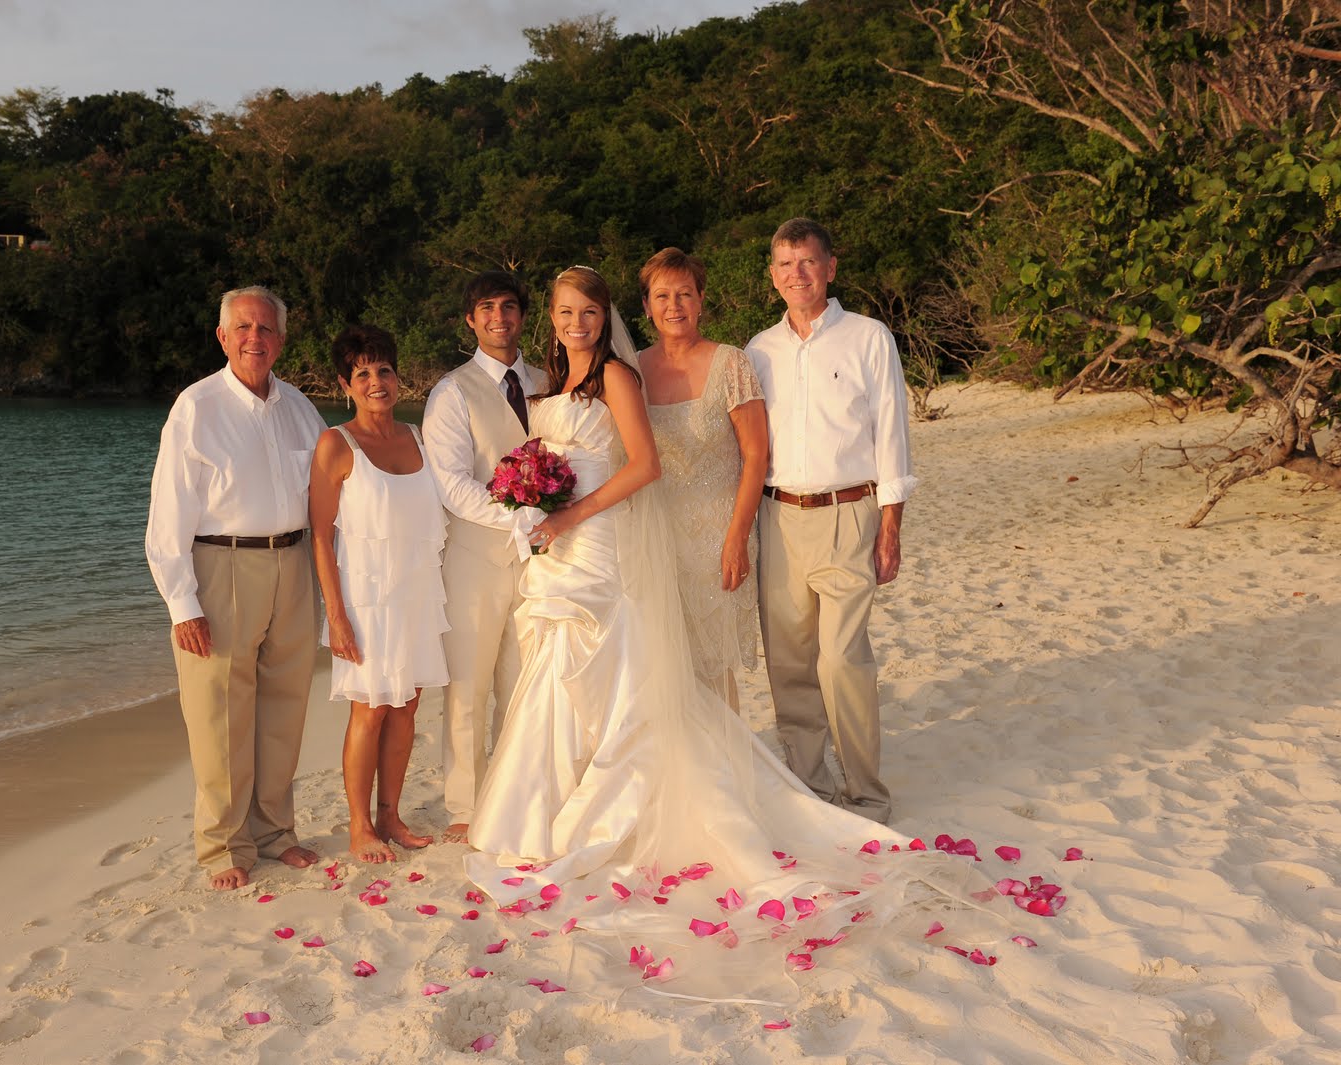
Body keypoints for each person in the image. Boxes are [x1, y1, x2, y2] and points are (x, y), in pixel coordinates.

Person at [465, 267, 987, 1005]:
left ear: (607, 317)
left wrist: (568, 514)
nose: (577, 322)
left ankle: (695, 802)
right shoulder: (556, 383)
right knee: (565, 675)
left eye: (589, 311)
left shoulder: (619, 376)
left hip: (606, 541)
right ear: (550, 318)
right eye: (565, 312)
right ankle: (548, 809)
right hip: (568, 553)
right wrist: (532, 494)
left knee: (631, 678)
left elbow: (649, 464)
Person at [145, 285, 326, 891]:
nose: (255, 338)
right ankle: (224, 845)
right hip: (220, 567)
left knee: (284, 706)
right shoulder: (196, 407)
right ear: (222, 337)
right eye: (243, 328)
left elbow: (331, 493)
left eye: (266, 328)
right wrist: (183, 605)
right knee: (219, 712)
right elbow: (167, 517)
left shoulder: (299, 407)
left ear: (282, 339)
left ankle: (274, 832)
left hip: (294, 564)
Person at [745, 218, 916, 825]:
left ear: (830, 267)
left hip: (849, 515)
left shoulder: (869, 337)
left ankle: (866, 795)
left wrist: (891, 527)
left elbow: (891, 433)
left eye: (808, 262)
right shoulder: (758, 351)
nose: (798, 275)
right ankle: (810, 789)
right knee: (790, 663)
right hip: (777, 518)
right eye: (785, 264)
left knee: (843, 661)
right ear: (773, 275)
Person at [309, 325, 447, 864]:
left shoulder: (419, 437)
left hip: (418, 592)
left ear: (397, 375)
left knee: (407, 707)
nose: (376, 382)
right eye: (362, 373)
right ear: (345, 385)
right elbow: (321, 536)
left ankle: (390, 816)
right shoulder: (335, 445)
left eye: (384, 370)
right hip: (365, 599)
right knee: (369, 709)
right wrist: (336, 616)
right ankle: (360, 825)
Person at [421, 271, 544, 842]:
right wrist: (521, 518)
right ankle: (465, 806)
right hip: (474, 559)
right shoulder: (452, 392)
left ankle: (517, 793)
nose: (499, 317)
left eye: (509, 306)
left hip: (543, 560)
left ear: (523, 315)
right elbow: (451, 484)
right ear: (470, 320)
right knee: (468, 687)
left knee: (526, 682)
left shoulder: (547, 382)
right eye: (487, 308)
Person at [637, 247, 768, 709]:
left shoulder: (731, 363)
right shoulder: (632, 370)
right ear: (646, 306)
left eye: (685, 294)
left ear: (701, 300)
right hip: (655, 537)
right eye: (662, 296)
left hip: (718, 538)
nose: (674, 306)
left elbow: (756, 455)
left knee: (713, 669)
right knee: (664, 667)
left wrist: (737, 538)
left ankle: (725, 756)